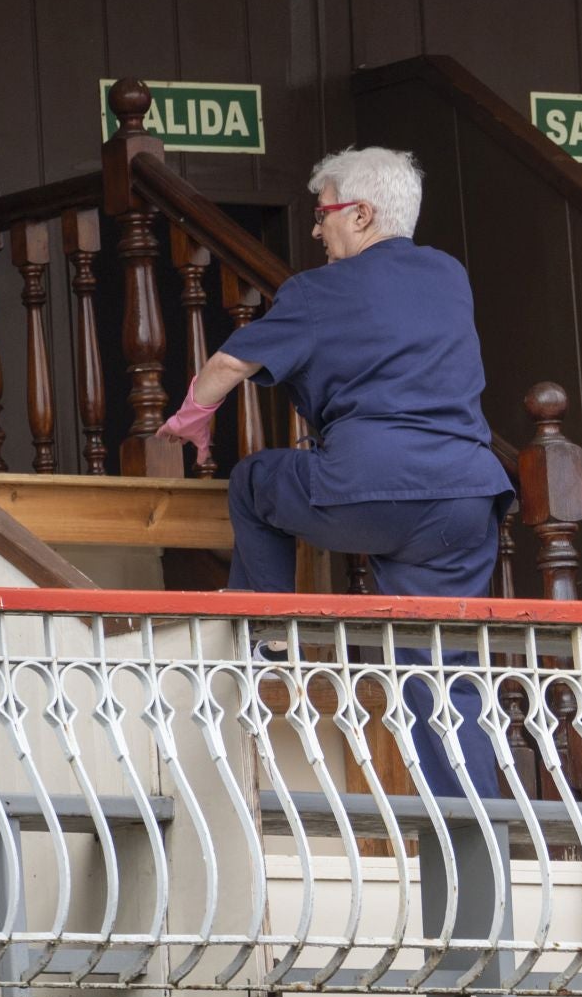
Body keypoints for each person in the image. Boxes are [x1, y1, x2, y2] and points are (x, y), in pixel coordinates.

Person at [157, 146, 513, 800]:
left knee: (254, 482)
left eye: (323, 214)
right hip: (467, 496)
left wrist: (192, 420)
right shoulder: (449, 275)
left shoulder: (318, 291)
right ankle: (480, 834)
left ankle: (264, 635)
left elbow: (227, 366)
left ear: (363, 213)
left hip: (368, 488)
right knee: (441, 677)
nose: (316, 230)